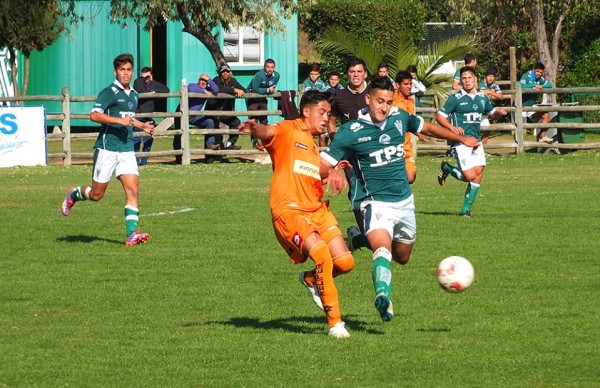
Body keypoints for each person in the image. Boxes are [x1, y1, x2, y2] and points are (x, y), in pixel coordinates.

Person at [320, 77, 480, 321]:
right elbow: (323, 164)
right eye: (379, 101)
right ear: (368, 99)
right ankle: (383, 296)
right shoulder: (351, 131)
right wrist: (331, 170)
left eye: (388, 102)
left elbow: (425, 127)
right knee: (383, 250)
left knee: (402, 257)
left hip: (404, 202)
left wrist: (459, 138)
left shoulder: (399, 117)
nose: (383, 107)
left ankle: (357, 238)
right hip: (375, 202)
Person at [238, 90, 355, 338]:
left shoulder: (311, 144)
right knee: (323, 255)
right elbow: (268, 133)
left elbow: (318, 169)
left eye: (328, 114)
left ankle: (312, 280)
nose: (326, 118)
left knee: (345, 263)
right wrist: (255, 128)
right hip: (290, 210)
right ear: (306, 112)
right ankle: (335, 323)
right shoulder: (288, 129)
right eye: (321, 113)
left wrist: (334, 171)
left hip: (316, 210)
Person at [60, 53, 154, 246]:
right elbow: (94, 115)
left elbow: (127, 117)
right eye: (122, 70)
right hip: (107, 149)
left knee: (133, 190)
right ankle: (75, 194)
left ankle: (131, 235)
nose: (125, 74)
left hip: (126, 149)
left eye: (128, 70)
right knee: (96, 195)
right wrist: (119, 121)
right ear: (115, 72)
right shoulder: (109, 92)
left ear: (132, 72)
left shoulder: (134, 95)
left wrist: (141, 125)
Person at [436, 66, 508, 217]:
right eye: (464, 78)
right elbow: (439, 116)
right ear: (460, 81)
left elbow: (491, 113)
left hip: (476, 141)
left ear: (475, 79)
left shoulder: (482, 98)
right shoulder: (455, 99)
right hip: (460, 142)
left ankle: (465, 211)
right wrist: (452, 127)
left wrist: (498, 113)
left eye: (470, 77)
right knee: (469, 176)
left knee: (478, 175)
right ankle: (447, 168)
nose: (467, 81)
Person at [173, 73, 220, 164]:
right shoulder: (193, 85)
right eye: (201, 80)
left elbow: (216, 90)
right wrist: (204, 92)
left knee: (209, 122)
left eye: (205, 81)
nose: (203, 82)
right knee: (178, 134)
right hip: (181, 114)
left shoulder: (207, 89)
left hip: (194, 116)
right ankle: (178, 158)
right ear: (198, 81)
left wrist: (209, 80)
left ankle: (210, 145)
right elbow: (191, 89)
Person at [393, 71, 428, 184]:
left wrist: (418, 133)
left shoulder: (411, 100)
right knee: (403, 178)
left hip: (407, 146)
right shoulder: (391, 101)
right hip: (394, 146)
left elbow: (410, 121)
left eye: (410, 84)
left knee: (410, 178)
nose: (409, 87)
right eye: (405, 84)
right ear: (397, 85)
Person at [327, 57, 369, 146]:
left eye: (359, 71)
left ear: (365, 74)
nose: (356, 75)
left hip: (371, 147)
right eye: (352, 71)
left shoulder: (374, 93)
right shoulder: (339, 96)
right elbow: (331, 122)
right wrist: (337, 144)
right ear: (347, 74)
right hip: (349, 148)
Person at [132, 66, 170, 165]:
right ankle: (135, 161)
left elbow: (166, 89)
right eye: (143, 74)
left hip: (149, 115)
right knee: (136, 138)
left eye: (147, 75)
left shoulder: (154, 84)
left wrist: (155, 92)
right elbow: (136, 90)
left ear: (151, 75)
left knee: (148, 138)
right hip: (138, 114)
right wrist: (142, 79)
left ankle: (144, 161)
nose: (146, 77)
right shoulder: (138, 82)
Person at [207, 63, 246, 151]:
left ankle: (229, 144)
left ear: (230, 72)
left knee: (237, 123)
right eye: (223, 71)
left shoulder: (233, 81)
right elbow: (219, 89)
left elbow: (243, 89)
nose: (225, 73)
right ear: (220, 73)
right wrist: (234, 90)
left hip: (226, 113)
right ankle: (209, 156)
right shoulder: (216, 80)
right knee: (212, 132)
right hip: (214, 111)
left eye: (227, 71)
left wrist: (240, 91)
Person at [246, 58, 280, 150]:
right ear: (264, 67)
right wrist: (267, 90)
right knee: (253, 121)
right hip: (252, 97)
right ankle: (255, 143)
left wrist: (268, 90)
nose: (269, 69)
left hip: (262, 98)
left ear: (274, 68)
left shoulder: (276, 75)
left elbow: (272, 87)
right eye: (268, 67)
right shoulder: (259, 75)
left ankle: (265, 141)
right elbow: (255, 89)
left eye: (272, 67)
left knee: (264, 120)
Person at [520, 62, 554, 143]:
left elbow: (550, 85)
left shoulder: (540, 79)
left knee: (545, 114)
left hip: (531, 106)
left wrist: (541, 86)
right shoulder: (526, 76)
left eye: (541, 72)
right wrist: (533, 86)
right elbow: (521, 86)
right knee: (519, 128)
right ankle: (517, 148)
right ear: (534, 70)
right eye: (537, 71)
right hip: (520, 106)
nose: (539, 74)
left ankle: (542, 137)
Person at [478, 67, 503, 145]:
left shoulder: (494, 84)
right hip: (478, 110)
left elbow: (501, 97)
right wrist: (490, 92)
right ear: (486, 76)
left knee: (487, 129)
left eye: (492, 76)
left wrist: (491, 92)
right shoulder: (481, 82)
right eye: (489, 76)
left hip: (485, 112)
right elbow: (485, 96)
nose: (491, 78)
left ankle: (481, 148)